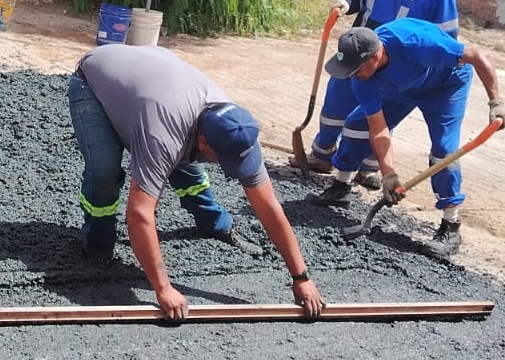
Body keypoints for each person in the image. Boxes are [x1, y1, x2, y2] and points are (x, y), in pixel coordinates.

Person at [68, 44, 323, 321]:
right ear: (202, 140)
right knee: (104, 171)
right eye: (223, 158)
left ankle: (215, 225)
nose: (230, 167)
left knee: (188, 169)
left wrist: (301, 276)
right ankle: (98, 245)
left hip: (156, 84)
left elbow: (268, 205)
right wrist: (163, 288)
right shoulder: (163, 136)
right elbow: (140, 213)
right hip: (93, 82)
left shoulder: (239, 130)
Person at [312, 21, 505, 255]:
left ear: (374, 57)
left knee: (443, 150)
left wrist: (496, 103)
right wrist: (389, 174)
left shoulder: (417, 45)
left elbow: (477, 56)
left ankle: (451, 225)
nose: (352, 75)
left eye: (356, 69)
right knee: (358, 124)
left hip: (445, 85)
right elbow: (378, 128)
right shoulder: (362, 76)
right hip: (399, 88)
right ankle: (341, 185)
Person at [298, 0, 458, 178]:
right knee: (337, 98)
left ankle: (369, 169)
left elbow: (446, 38)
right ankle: (322, 153)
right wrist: (344, 3)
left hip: (392, 61)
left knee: (378, 113)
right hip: (356, 50)